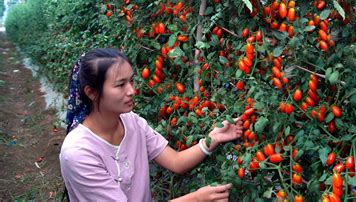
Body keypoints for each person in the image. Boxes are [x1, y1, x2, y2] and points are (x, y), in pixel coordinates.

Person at [59, 48, 243, 201]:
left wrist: (213, 138)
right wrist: (196, 199)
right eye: (120, 85)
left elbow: (176, 161)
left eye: (131, 81)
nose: (132, 90)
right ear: (91, 92)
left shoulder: (132, 122)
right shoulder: (78, 153)